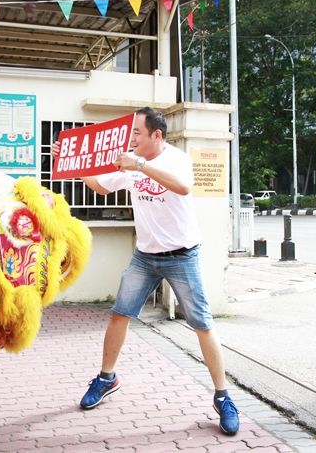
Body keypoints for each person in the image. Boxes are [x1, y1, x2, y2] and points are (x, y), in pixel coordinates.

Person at [52, 107, 241, 435]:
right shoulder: (130, 160)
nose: (132, 138)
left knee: (203, 325)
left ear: (157, 135)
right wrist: (75, 163)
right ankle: (106, 379)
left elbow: (182, 187)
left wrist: (140, 165)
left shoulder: (175, 159)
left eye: (137, 132)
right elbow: (100, 187)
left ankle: (223, 396)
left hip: (182, 256)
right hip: (145, 256)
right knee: (119, 315)